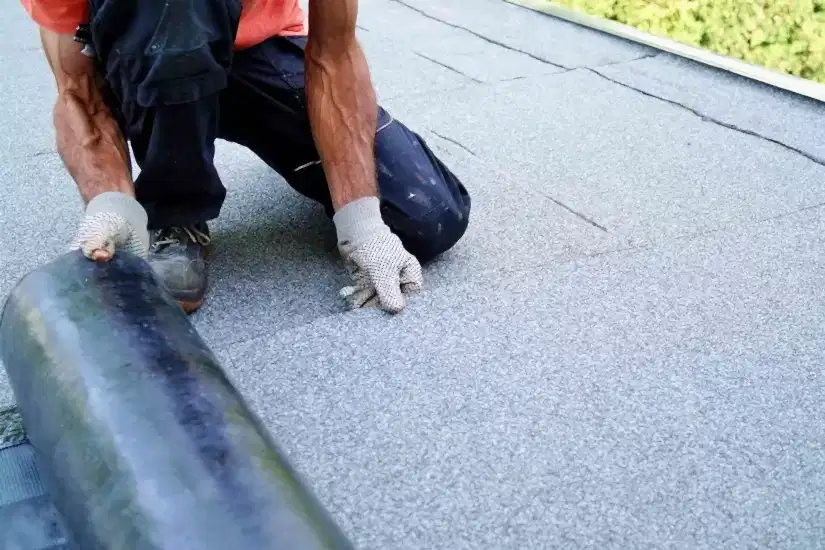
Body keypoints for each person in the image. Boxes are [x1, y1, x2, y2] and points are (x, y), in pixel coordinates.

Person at [23, 0, 471, 314]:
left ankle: (311, 166)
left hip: (259, 53)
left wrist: (362, 219)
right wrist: (110, 200)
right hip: (147, 65)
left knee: (426, 216)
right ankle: (176, 210)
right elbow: (77, 89)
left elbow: (334, 54)